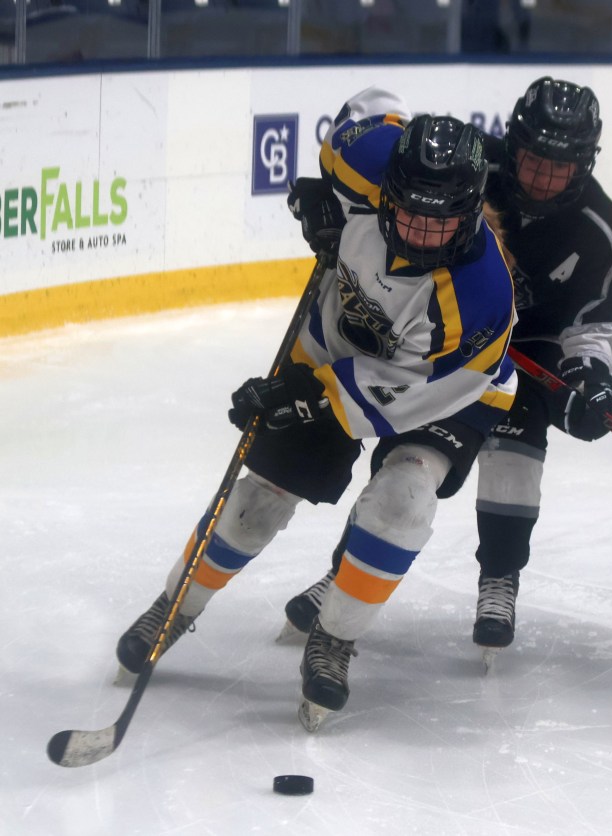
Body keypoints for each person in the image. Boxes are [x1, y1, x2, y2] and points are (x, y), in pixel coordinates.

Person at [114, 87, 518, 729]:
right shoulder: (368, 156)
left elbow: (396, 389)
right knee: (256, 503)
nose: (419, 232)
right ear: (391, 185)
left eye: (440, 222)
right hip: (336, 344)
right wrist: (322, 199)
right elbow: (371, 107)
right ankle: (174, 607)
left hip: (448, 387)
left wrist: (299, 397)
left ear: (469, 213)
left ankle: (335, 637)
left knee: (403, 500)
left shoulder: (478, 300)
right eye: (408, 212)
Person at [281, 76, 612, 664]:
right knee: (405, 456)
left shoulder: (604, 232)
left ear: (586, 164)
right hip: (432, 331)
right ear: (511, 141)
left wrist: (589, 378)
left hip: (530, 346)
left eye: (560, 167)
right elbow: (381, 168)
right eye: (532, 158)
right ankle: (344, 576)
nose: (541, 177)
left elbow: (594, 329)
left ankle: (499, 577)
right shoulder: (467, 164)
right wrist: (326, 199)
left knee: (517, 437)